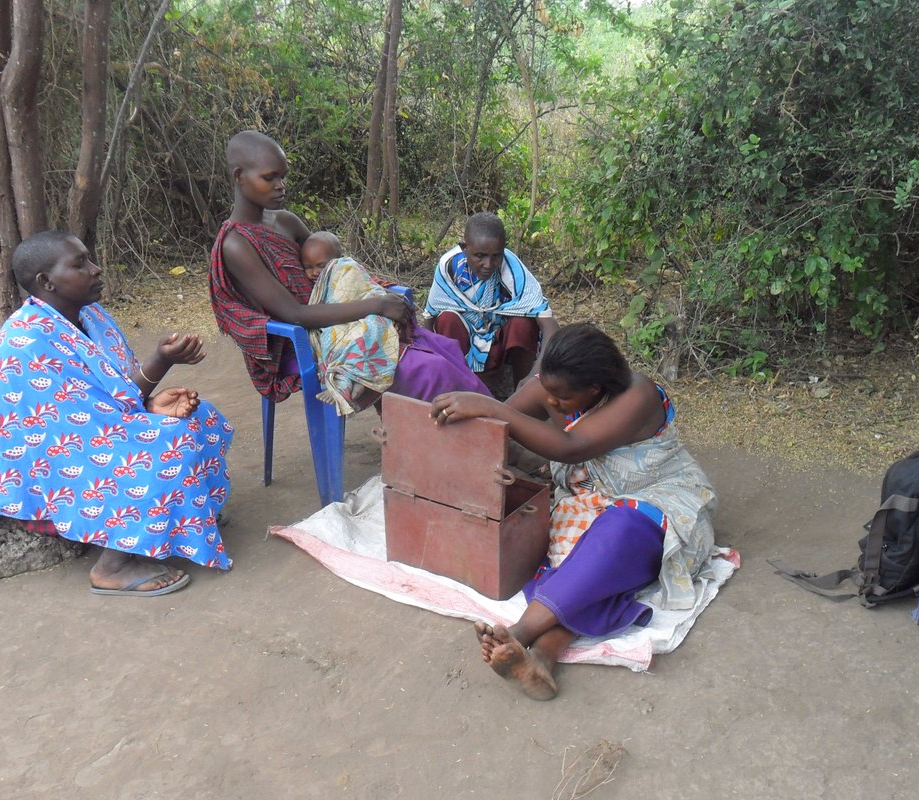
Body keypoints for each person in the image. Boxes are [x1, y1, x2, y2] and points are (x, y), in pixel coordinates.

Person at [430, 323, 717, 700]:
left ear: (594, 389)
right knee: (583, 569)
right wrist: (482, 427)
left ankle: (519, 633)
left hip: (658, 499)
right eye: (547, 391)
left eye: (562, 398)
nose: (551, 402)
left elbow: (572, 447)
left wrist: (490, 406)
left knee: (615, 534)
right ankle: (542, 660)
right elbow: (501, 422)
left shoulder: (638, 394)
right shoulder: (554, 384)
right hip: (586, 501)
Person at [0, 230, 234, 597]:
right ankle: (112, 567)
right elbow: (70, 431)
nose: (96, 269)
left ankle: (181, 517)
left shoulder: (89, 315)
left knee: (199, 417)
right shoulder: (26, 342)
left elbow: (109, 396)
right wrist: (159, 366)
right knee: (169, 443)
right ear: (46, 282)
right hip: (48, 467)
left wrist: (151, 403)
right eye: (80, 264)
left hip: (90, 433)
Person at [209, 130, 490, 405]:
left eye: (282, 176)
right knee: (429, 369)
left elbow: (336, 268)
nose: (280, 185)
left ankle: (486, 420)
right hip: (305, 343)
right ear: (239, 176)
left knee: (441, 348)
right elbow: (294, 314)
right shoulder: (236, 245)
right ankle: (465, 425)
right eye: (269, 178)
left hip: (342, 320)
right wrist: (376, 305)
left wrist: (374, 294)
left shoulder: (285, 221)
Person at [426, 212, 560, 387]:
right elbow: (430, 317)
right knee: (446, 319)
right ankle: (458, 386)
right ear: (464, 248)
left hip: (501, 343)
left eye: (496, 256)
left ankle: (522, 390)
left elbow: (549, 324)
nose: (488, 265)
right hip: (464, 342)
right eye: (479, 256)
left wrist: (536, 373)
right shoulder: (450, 269)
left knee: (523, 323)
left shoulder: (512, 270)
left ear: (503, 250)